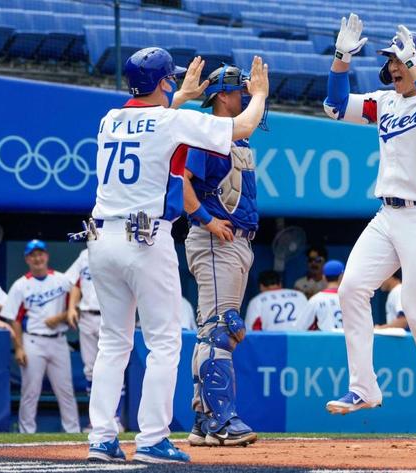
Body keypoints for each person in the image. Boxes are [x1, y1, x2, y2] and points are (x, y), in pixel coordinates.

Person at [85, 48, 268, 463]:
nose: (174, 84)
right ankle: (151, 439)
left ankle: (101, 438)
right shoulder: (171, 119)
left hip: (102, 237)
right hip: (146, 239)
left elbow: (151, 122)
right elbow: (241, 126)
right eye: (170, 80)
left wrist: (179, 96)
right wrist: (258, 93)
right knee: (164, 341)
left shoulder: (109, 119)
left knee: (113, 343)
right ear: (162, 82)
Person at [322, 13, 416, 450]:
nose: (393, 65)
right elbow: (335, 106)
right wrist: (342, 59)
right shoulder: (384, 101)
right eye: (392, 60)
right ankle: (364, 387)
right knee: (350, 290)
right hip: (388, 214)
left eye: (401, 59)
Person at [183, 64, 266, 448]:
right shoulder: (206, 133)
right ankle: (220, 421)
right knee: (222, 327)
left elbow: (248, 123)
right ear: (220, 95)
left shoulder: (235, 136)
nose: (243, 96)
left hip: (235, 241)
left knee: (212, 330)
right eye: (237, 92)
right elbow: (182, 181)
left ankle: (203, 420)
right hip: (217, 240)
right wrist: (206, 220)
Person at [0, 240, 80, 434]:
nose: (37, 258)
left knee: (66, 391)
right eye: (33, 255)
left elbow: (79, 297)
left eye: (40, 254)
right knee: (30, 391)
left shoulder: (61, 279)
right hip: (33, 340)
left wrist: (61, 316)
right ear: (27, 259)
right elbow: (15, 319)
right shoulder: (21, 285)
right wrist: (18, 347)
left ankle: (73, 433)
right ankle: (27, 433)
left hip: (59, 339)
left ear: (47, 256)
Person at [65, 248, 124, 433]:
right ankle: (95, 420)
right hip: (86, 315)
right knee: (90, 369)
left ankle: (116, 418)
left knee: (114, 366)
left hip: (110, 315)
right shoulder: (84, 254)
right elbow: (75, 282)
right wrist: (71, 308)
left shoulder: (118, 248)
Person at [303, 260, 345, 331]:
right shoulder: (353, 299)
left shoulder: (316, 299)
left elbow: (301, 327)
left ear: (324, 277)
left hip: (326, 340)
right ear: (342, 276)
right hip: (348, 341)